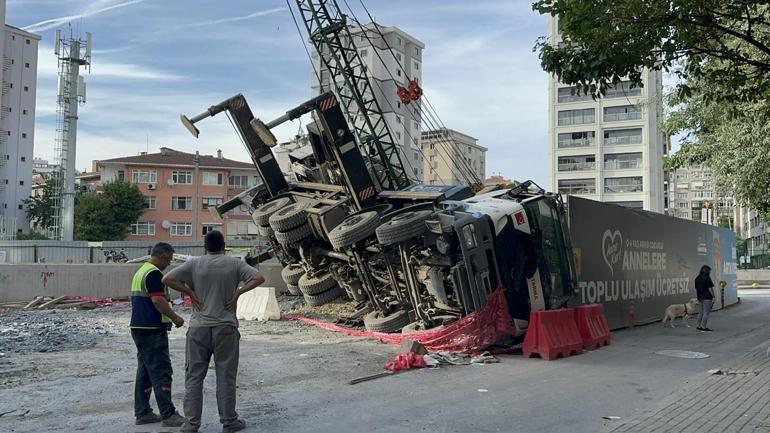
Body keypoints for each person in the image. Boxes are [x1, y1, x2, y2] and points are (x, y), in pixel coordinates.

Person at [162, 230, 265, 433]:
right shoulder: (234, 263)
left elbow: (167, 279)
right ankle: (229, 421)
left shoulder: (194, 264)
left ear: (205, 246)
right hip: (226, 327)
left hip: (198, 328)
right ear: (224, 245)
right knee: (226, 375)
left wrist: (189, 291)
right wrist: (238, 292)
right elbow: (259, 277)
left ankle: (191, 424)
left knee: (193, 377)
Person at [130, 242, 189, 427]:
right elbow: (157, 300)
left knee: (145, 371)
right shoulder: (154, 273)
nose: (169, 263)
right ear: (163, 256)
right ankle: (168, 414)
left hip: (140, 328)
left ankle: (143, 412)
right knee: (161, 370)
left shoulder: (142, 271)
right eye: (169, 260)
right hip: (152, 330)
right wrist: (175, 317)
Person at [694, 265, 715, 332]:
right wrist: (713, 296)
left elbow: (696, 288)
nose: (710, 272)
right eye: (709, 271)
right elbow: (710, 288)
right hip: (707, 297)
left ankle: (698, 327)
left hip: (700, 297)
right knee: (706, 313)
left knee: (700, 312)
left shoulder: (697, 278)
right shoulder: (707, 278)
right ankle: (704, 327)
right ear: (707, 271)